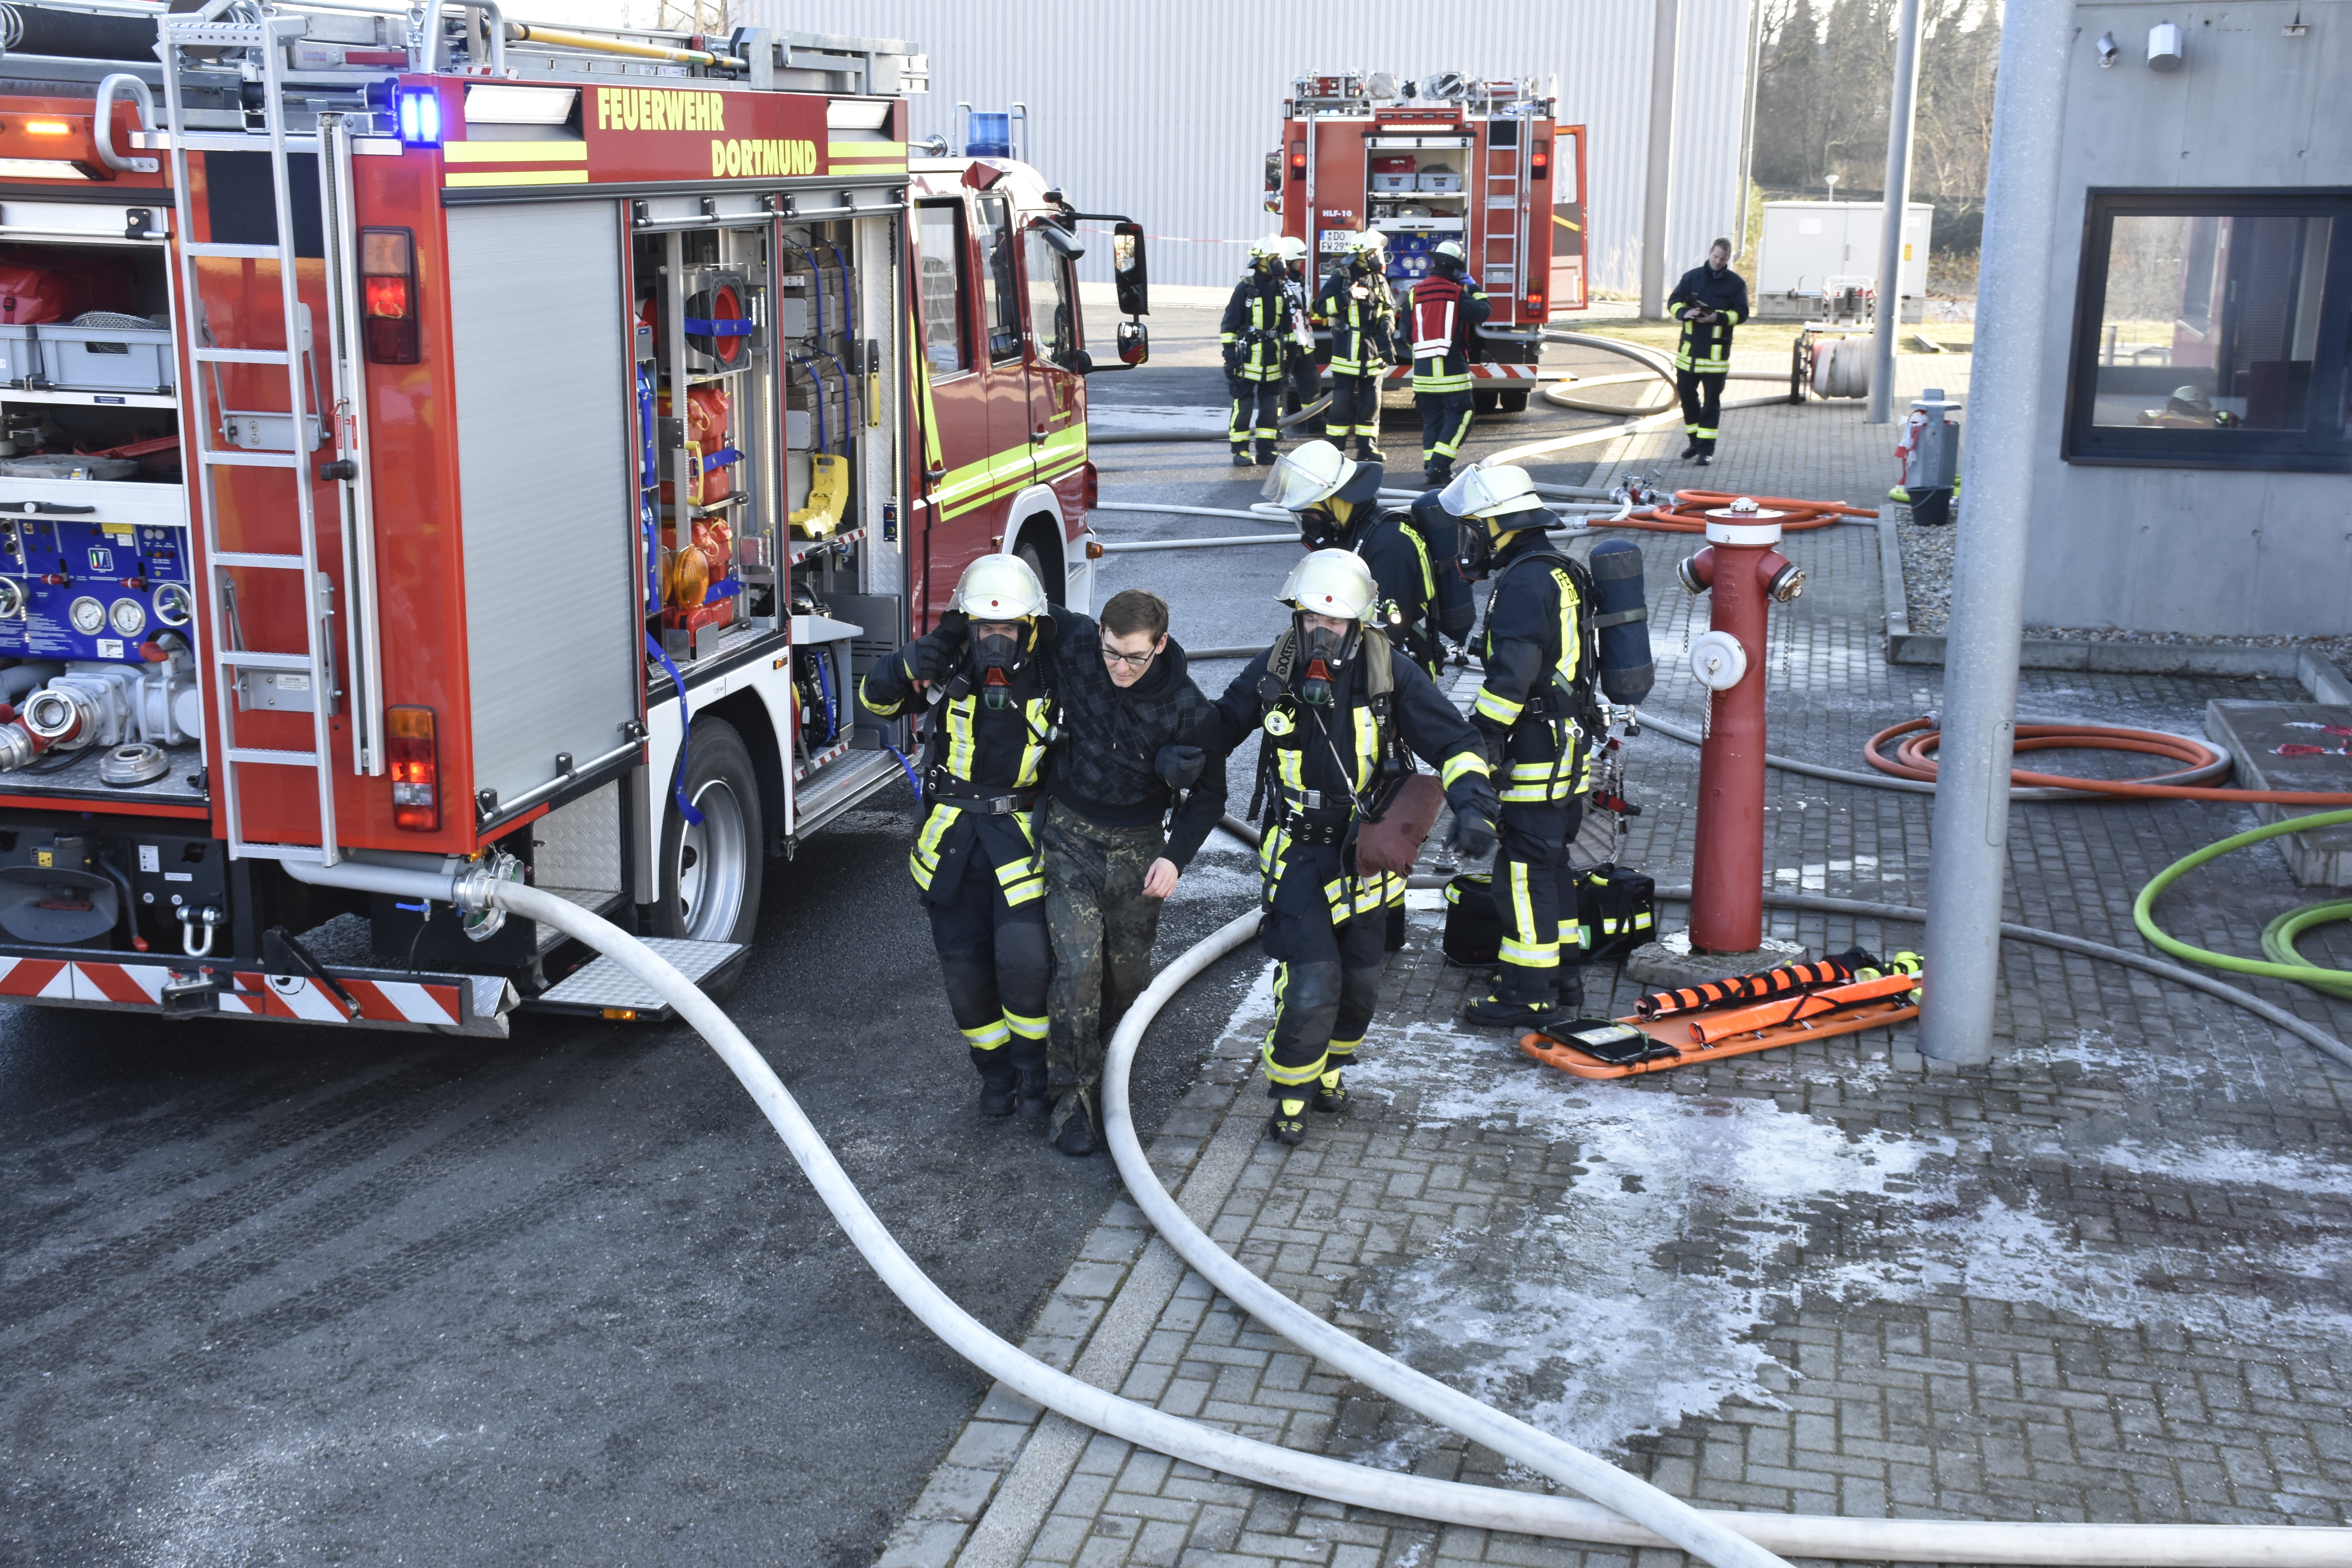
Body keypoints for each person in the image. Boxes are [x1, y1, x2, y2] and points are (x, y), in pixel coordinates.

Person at [1210, 550, 1499, 1146]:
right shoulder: (1277, 667)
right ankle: (1292, 1094)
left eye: (1334, 621)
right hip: (1296, 851)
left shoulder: (1391, 673)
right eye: (1310, 618)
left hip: (1365, 856)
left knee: (1361, 984)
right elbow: (1220, 725)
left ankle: (1331, 1070)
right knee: (1312, 981)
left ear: (1359, 623)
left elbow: (1457, 742)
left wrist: (1474, 804)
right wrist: (1182, 752)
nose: (1320, 632)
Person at [858, 554, 1077, 1120]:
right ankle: (995, 1076)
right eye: (985, 628)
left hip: (1023, 843)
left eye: (1008, 629)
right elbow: (875, 702)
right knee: (965, 974)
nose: (995, 641)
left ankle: (1035, 1077)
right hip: (951, 844)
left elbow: (1130, 677)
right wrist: (903, 665)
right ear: (969, 625)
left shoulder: (1056, 669)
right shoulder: (946, 663)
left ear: (1030, 626)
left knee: (1025, 964)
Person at [1039, 588, 1226, 1156]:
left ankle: (1109, 1071)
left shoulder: (1191, 710)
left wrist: (1175, 858)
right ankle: (1071, 1101)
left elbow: (1211, 798)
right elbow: (1019, 604)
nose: (1120, 668)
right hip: (1069, 838)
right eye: (1112, 653)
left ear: (1160, 645)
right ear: (1100, 635)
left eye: (1135, 657)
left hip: (1139, 850)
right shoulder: (1078, 644)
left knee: (1126, 982)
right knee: (1077, 970)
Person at [1443, 463, 1599, 1030]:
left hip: (1536, 752)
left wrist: (1480, 738)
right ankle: (1564, 975)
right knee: (1551, 866)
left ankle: (1527, 992)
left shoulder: (1525, 584)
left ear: (1499, 525)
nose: (1471, 541)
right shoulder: (1558, 569)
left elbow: (1511, 679)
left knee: (1522, 874)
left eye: (1475, 528)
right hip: (1568, 747)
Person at [1261, 439, 1471, 680]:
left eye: (1310, 514)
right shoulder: (1350, 533)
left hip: (1397, 674)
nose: (1308, 524)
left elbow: (1387, 631)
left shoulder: (1390, 544)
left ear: (1334, 500)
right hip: (1352, 661)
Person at [1406, 239, 1488, 485]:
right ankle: (1439, 465)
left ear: (1434, 264)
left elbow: (1407, 333)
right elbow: (1483, 311)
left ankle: (1432, 466)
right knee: (1464, 413)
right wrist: (1475, 288)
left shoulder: (1415, 292)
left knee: (1433, 419)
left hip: (1422, 372)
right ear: (1455, 269)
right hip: (1451, 368)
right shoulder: (1456, 293)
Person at [1314, 230, 1396, 460]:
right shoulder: (1341, 278)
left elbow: (1389, 307)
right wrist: (1347, 296)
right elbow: (1321, 309)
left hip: (1374, 353)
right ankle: (1334, 452)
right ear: (1361, 255)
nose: (1378, 257)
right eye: (1374, 253)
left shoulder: (1379, 279)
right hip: (1347, 354)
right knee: (1341, 406)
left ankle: (1368, 450)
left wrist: (1388, 322)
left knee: (1372, 404)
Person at [1668, 238, 1750, 466]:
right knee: (1688, 400)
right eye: (1715, 257)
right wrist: (1684, 313)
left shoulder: (1735, 284)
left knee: (1711, 405)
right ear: (1710, 252)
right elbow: (1674, 301)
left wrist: (1718, 317)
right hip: (1688, 356)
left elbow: (1741, 313)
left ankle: (1706, 451)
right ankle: (1695, 443)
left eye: (1723, 259)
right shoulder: (1692, 277)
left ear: (1728, 259)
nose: (1718, 262)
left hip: (1715, 359)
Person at [1221, 236, 1293, 467]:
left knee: (1271, 408)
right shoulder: (1246, 288)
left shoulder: (1281, 288)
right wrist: (1230, 358)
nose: (1280, 263)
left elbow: (1287, 327)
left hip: (1273, 359)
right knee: (1243, 407)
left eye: (1281, 258)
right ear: (1262, 260)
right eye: (1276, 258)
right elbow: (1229, 326)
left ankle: (1266, 451)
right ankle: (1240, 451)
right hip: (1248, 359)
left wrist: (1292, 355)